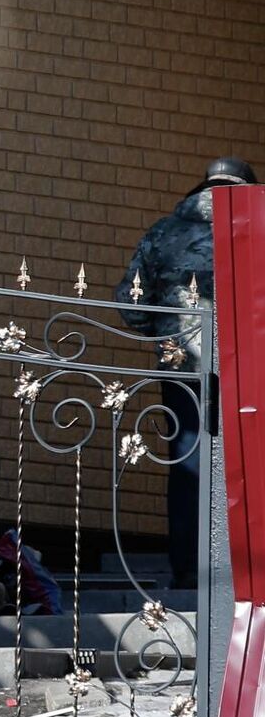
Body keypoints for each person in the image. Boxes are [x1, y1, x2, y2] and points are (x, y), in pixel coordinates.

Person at [117, 157, 255, 588]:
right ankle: (245, 570)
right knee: (249, 463)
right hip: (246, 364)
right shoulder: (258, 227)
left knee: (188, 464)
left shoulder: (164, 233)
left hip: (182, 370)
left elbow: (130, 304)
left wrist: (167, 332)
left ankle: (189, 570)